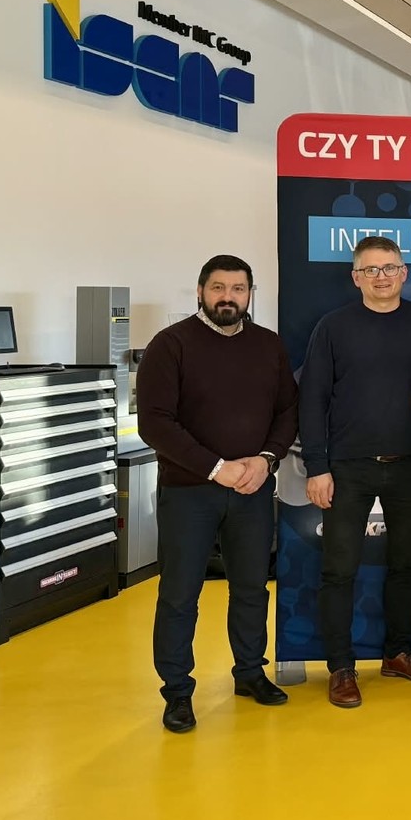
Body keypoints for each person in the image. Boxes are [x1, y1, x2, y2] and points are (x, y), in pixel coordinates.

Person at [137, 255, 298, 733]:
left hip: (252, 489)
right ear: (200, 291)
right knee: (180, 594)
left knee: (251, 589)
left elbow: (287, 412)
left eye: (238, 289)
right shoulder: (170, 345)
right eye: (218, 288)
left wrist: (265, 459)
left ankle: (250, 673)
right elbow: (155, 423)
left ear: (250, 294)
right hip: (189, 493)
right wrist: (216, 468)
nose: (228, 297)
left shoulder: (268, 345)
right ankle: (177, 692)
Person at [300, 236, 411, 709]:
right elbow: (312, 399)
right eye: (370, 270)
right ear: (355, 277)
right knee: (339, 569)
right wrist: (317, 466)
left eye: (389, 268)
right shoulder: (333, 327)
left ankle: (398, 653)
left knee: (407, 565)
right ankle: (341, 666)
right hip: (347, 467)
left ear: (404, 273)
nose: (381, 277)